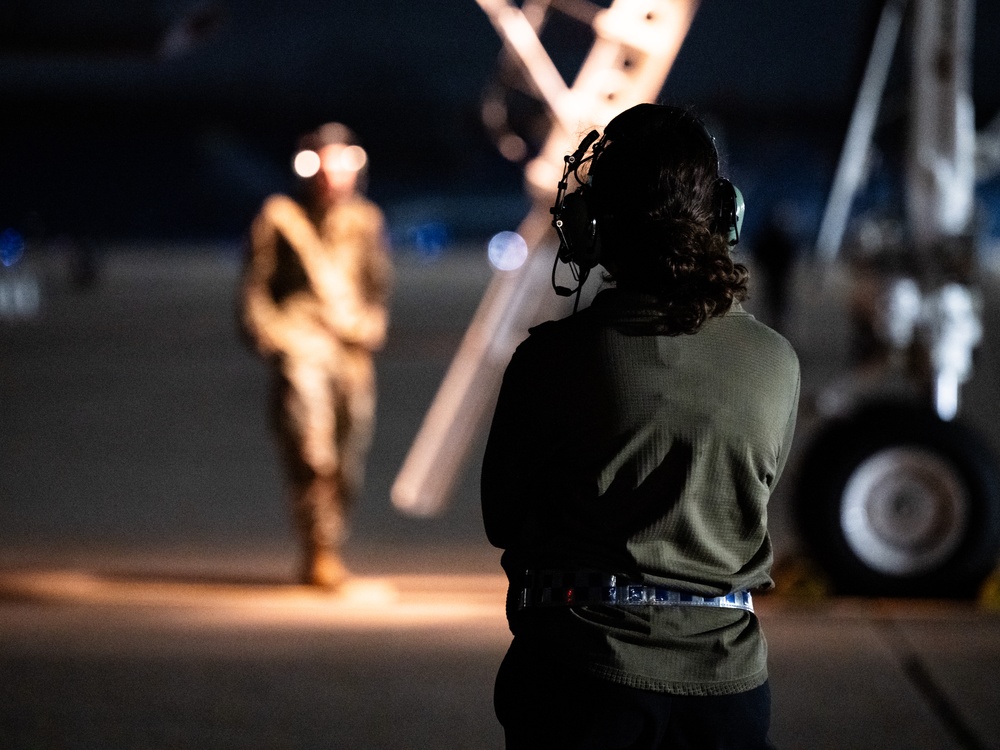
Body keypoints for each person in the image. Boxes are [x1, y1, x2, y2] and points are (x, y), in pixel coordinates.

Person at [481, 104, 800, 749]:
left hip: (581, 682)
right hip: (730, 692)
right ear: (723, 217)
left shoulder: (549, 360)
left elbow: (504, 520)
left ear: (598, 227)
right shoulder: (776, 361)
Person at [240, 123, 393, 588]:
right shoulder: (281, 217)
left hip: (350, 354)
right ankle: (319, 548)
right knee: (313, 449)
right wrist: (275, 337)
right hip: (302, 345)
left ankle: (330, 543)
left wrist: (370, 326)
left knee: (348, 455)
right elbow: (255, 290)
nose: (333, 175)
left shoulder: (365, 221)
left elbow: (377, 285)